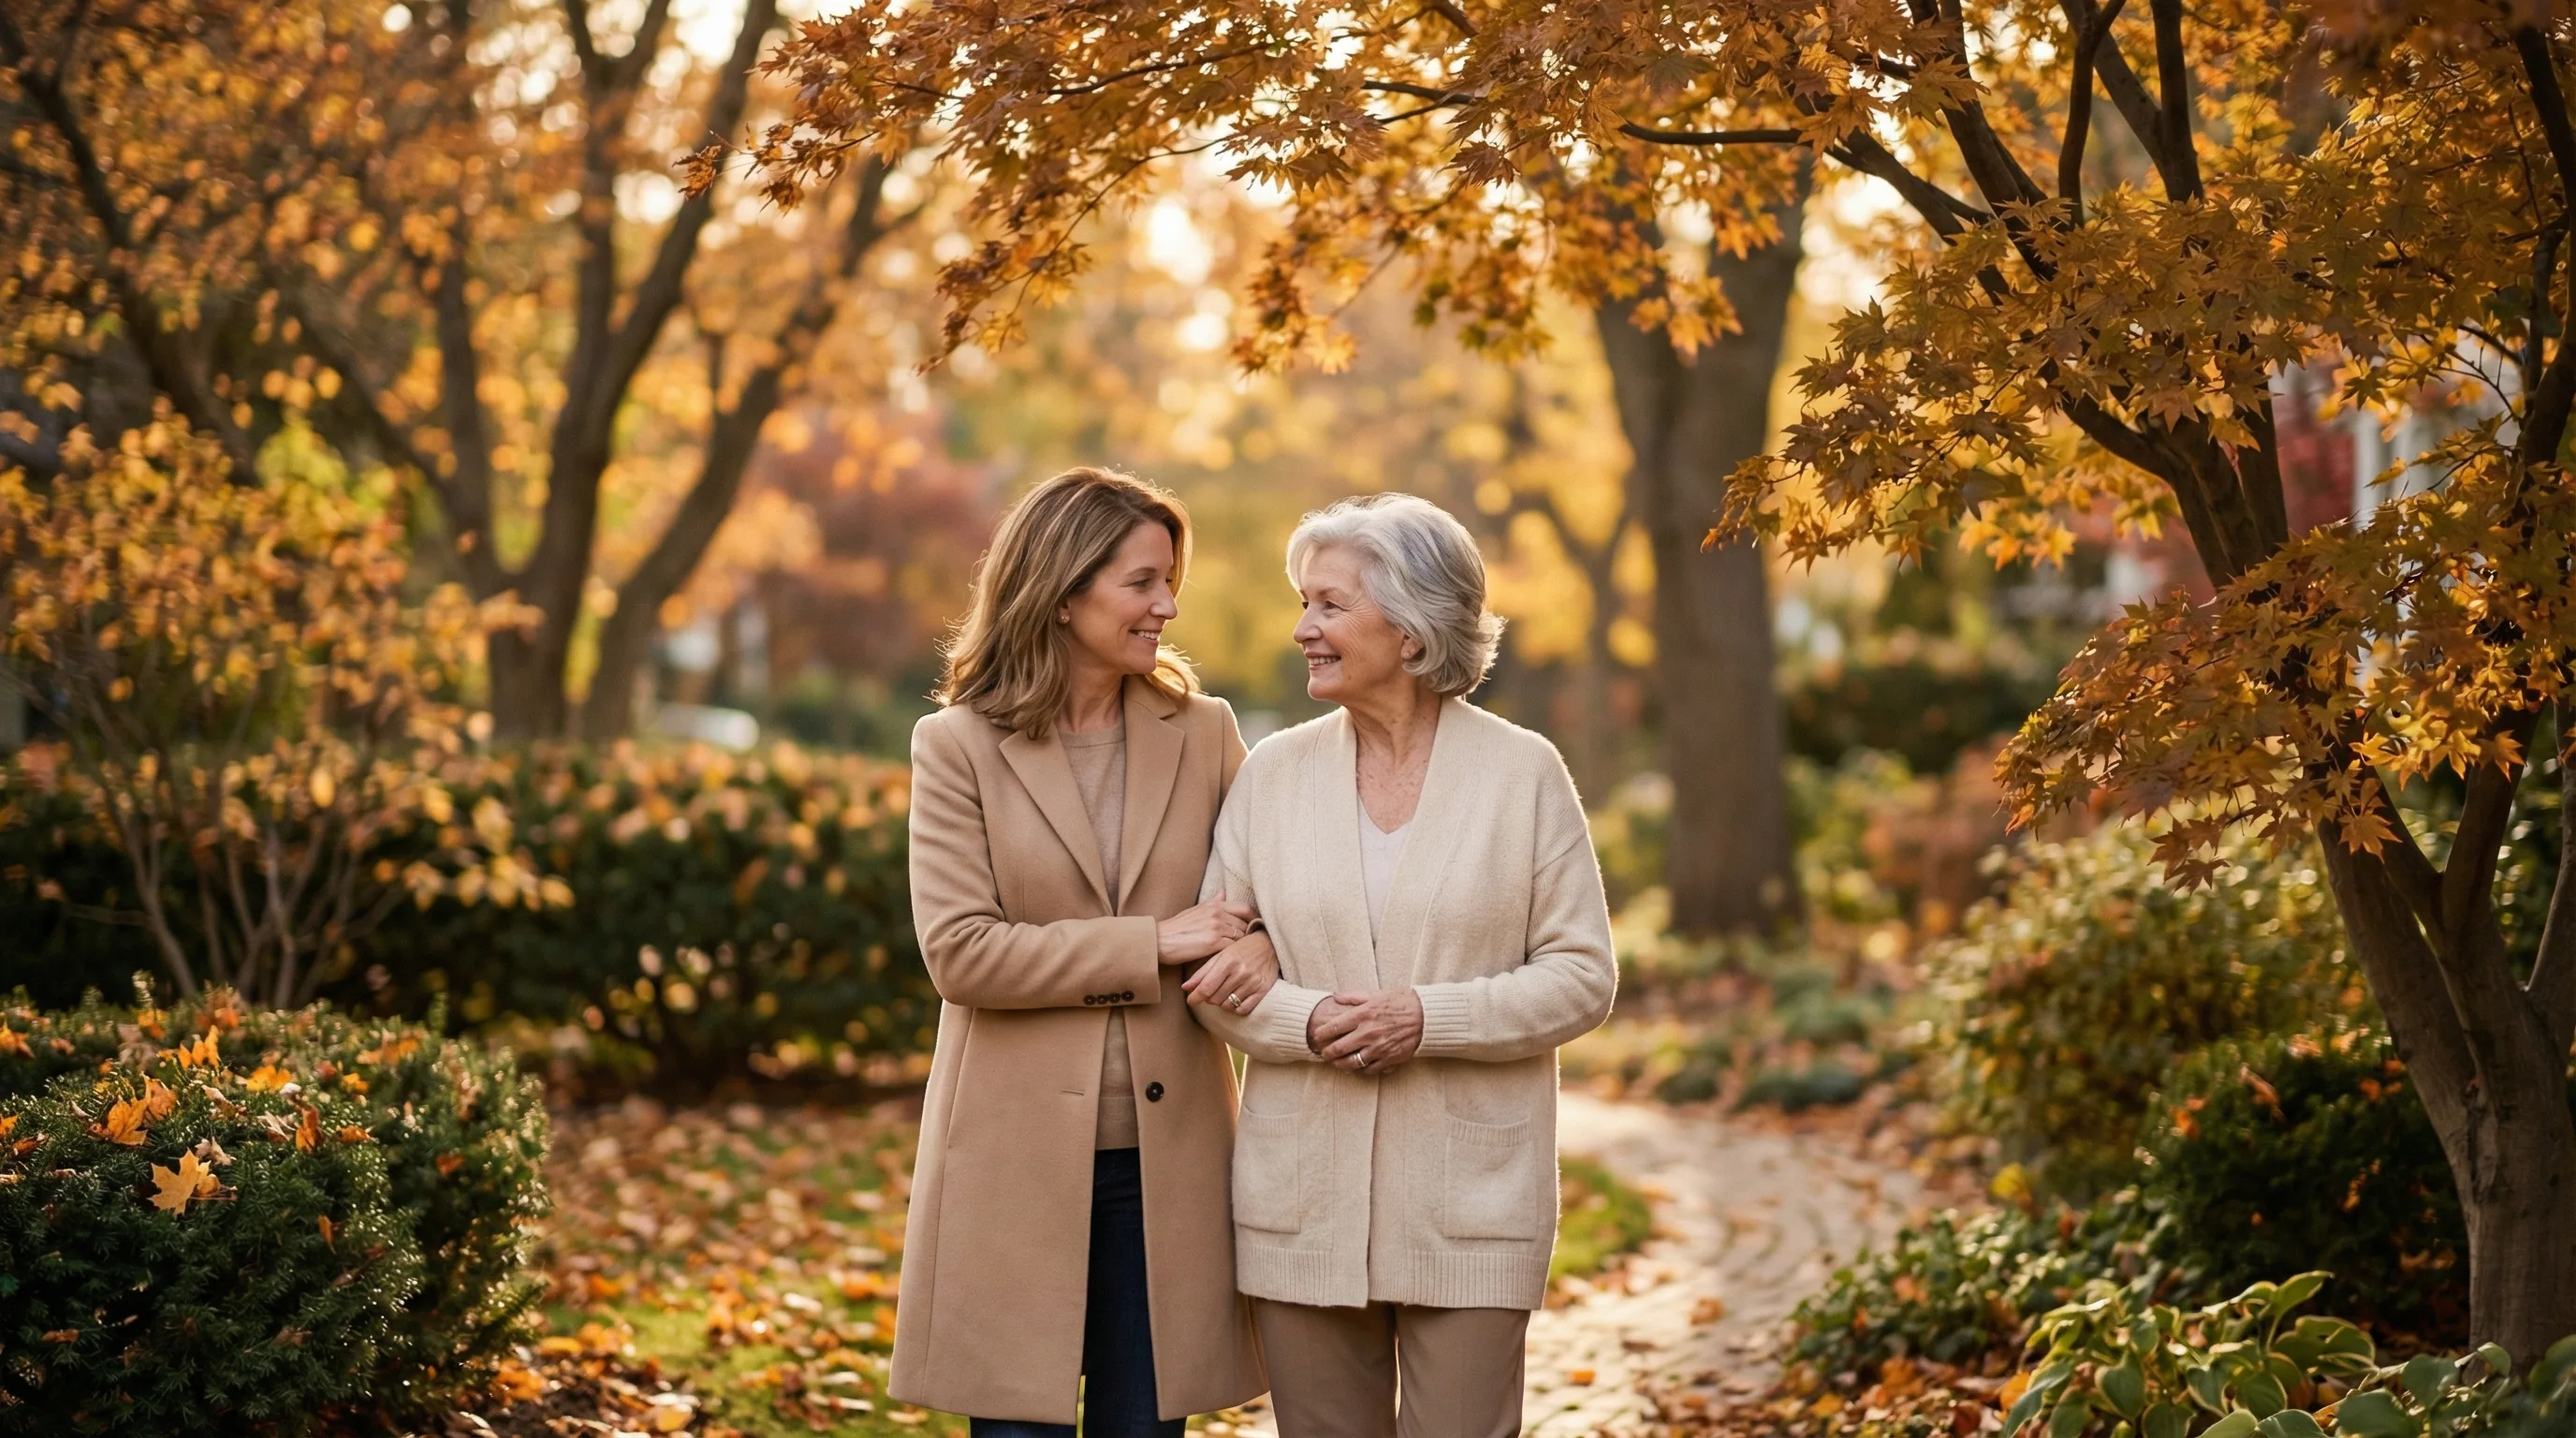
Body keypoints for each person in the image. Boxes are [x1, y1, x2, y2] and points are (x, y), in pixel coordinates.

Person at [1183, 492, 1619, 1438]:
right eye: (1305, 603)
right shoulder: (1273, 775)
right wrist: (1304, 1019)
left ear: (1414, 630)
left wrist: (1427, 1017)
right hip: (1300, 1202)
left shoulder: (1523, 773)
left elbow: (1582, 974)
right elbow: (1216, 978)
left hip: (1472, 1203)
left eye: (1330, 606)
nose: (1302, 629)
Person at [891, 467, 1266, 1435]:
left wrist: (1257, 944)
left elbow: (1259, 904)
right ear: (1063, 592)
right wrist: (1152, 942)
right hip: (1011, 1162)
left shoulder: (1207, 732)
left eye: (1169, 580)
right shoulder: (957, 746)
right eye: (1142, 582)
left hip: (1170, 1160)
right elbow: (963, 955)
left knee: (1147, 1427)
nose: (1167, 606)